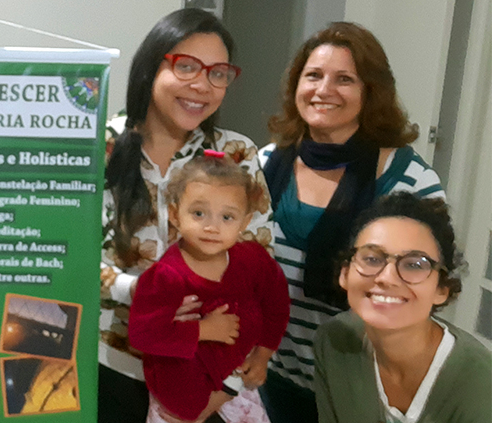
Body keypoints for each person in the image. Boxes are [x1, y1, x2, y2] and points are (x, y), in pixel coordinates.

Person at [258, 22, 446, 423]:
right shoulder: (264, 164)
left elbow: (425, 294)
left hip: (362, 395)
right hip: (270, 382)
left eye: (344, 79)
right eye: (313, 75)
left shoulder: (411, 182)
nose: (324, 90)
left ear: (370, 92)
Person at [99, 8, 274, 422]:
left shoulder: (234, 153)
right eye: (187, 66)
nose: (202, 85)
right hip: (111, 361)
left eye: (218, 73)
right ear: (152, 66)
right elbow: (70, 254)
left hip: (204, 366)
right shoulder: (101, 145)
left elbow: (257, 258)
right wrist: (138, 292)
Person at [130, 154, 289, 423]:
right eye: (199, 213)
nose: (212, 227)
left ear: (245, 222)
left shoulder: (253, 259)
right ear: (175, 215)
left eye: (227, 217)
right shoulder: (165, 277)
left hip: (238, 384)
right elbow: (142, 334)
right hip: (180, 401)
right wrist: (203, 330)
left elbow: (277, 304)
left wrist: (263, 355)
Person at [314, 193, 491, 422]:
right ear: (345, 274)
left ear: (442, 288)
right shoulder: (333, 342)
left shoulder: (480, 385)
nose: (387, 278)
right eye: (372, 259)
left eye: (414, 265)